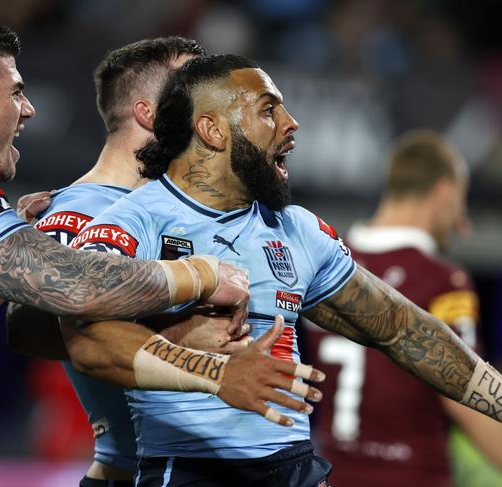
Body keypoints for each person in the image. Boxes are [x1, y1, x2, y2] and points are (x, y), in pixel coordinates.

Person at [0, 15, 321, 487]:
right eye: (15, 92)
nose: (28, 109)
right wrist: (199, 276)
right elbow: (71, 288)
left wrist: (14, 234)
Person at [69, 54, 502, 486]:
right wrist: (216, 374)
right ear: (213, 130)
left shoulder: (296, 230)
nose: (291, 122)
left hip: (295, 468)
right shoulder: (131, 224)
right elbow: (89, 342)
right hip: (189, 469)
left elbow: (402, 328)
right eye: (268, 109)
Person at [7, 37, 246, 486]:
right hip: (138, 472)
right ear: (150, 116)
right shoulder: (80, 211)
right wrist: (182, 334)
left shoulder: (169, 207)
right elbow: (29, 328)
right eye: (197, 93)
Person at [306, 129, 502, 486]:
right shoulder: (442, 280)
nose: (463, 223)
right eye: (461, 201)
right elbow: (463, 394)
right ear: (444, 191)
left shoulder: (325, 264)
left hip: (332, 472)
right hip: (414, 475)